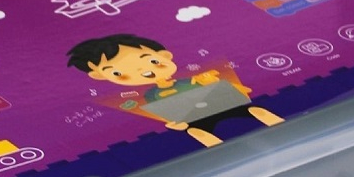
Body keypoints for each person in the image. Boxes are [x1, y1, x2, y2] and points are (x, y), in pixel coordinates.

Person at [66, 33, 283, 147]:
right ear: (99, 76)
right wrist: (173, 122)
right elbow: (160, 108)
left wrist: (235, 89)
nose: (143, 71)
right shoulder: (151, 94)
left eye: (153, 61)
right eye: (118, 73)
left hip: (221, 103)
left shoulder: (190, 80)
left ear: (165, 56)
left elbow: (214, 86)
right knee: (196, 131)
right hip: (190, 117)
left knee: (254, 110)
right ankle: (219, 152)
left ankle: (281, 128)